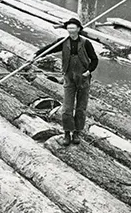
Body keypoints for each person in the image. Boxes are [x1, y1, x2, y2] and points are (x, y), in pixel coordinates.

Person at [35, 17, 99, 146]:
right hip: (69, 78)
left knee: (81, 108)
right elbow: (50, 48)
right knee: (67, 108)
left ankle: (77, 133)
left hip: (83, 79)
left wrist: (88, 71)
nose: (70, 30)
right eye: (68, 28)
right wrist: (35, 55)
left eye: (73, 28)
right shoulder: (63, 42)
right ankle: (67, 133)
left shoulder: (86, 43)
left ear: (79, 29)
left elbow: (94, 59)